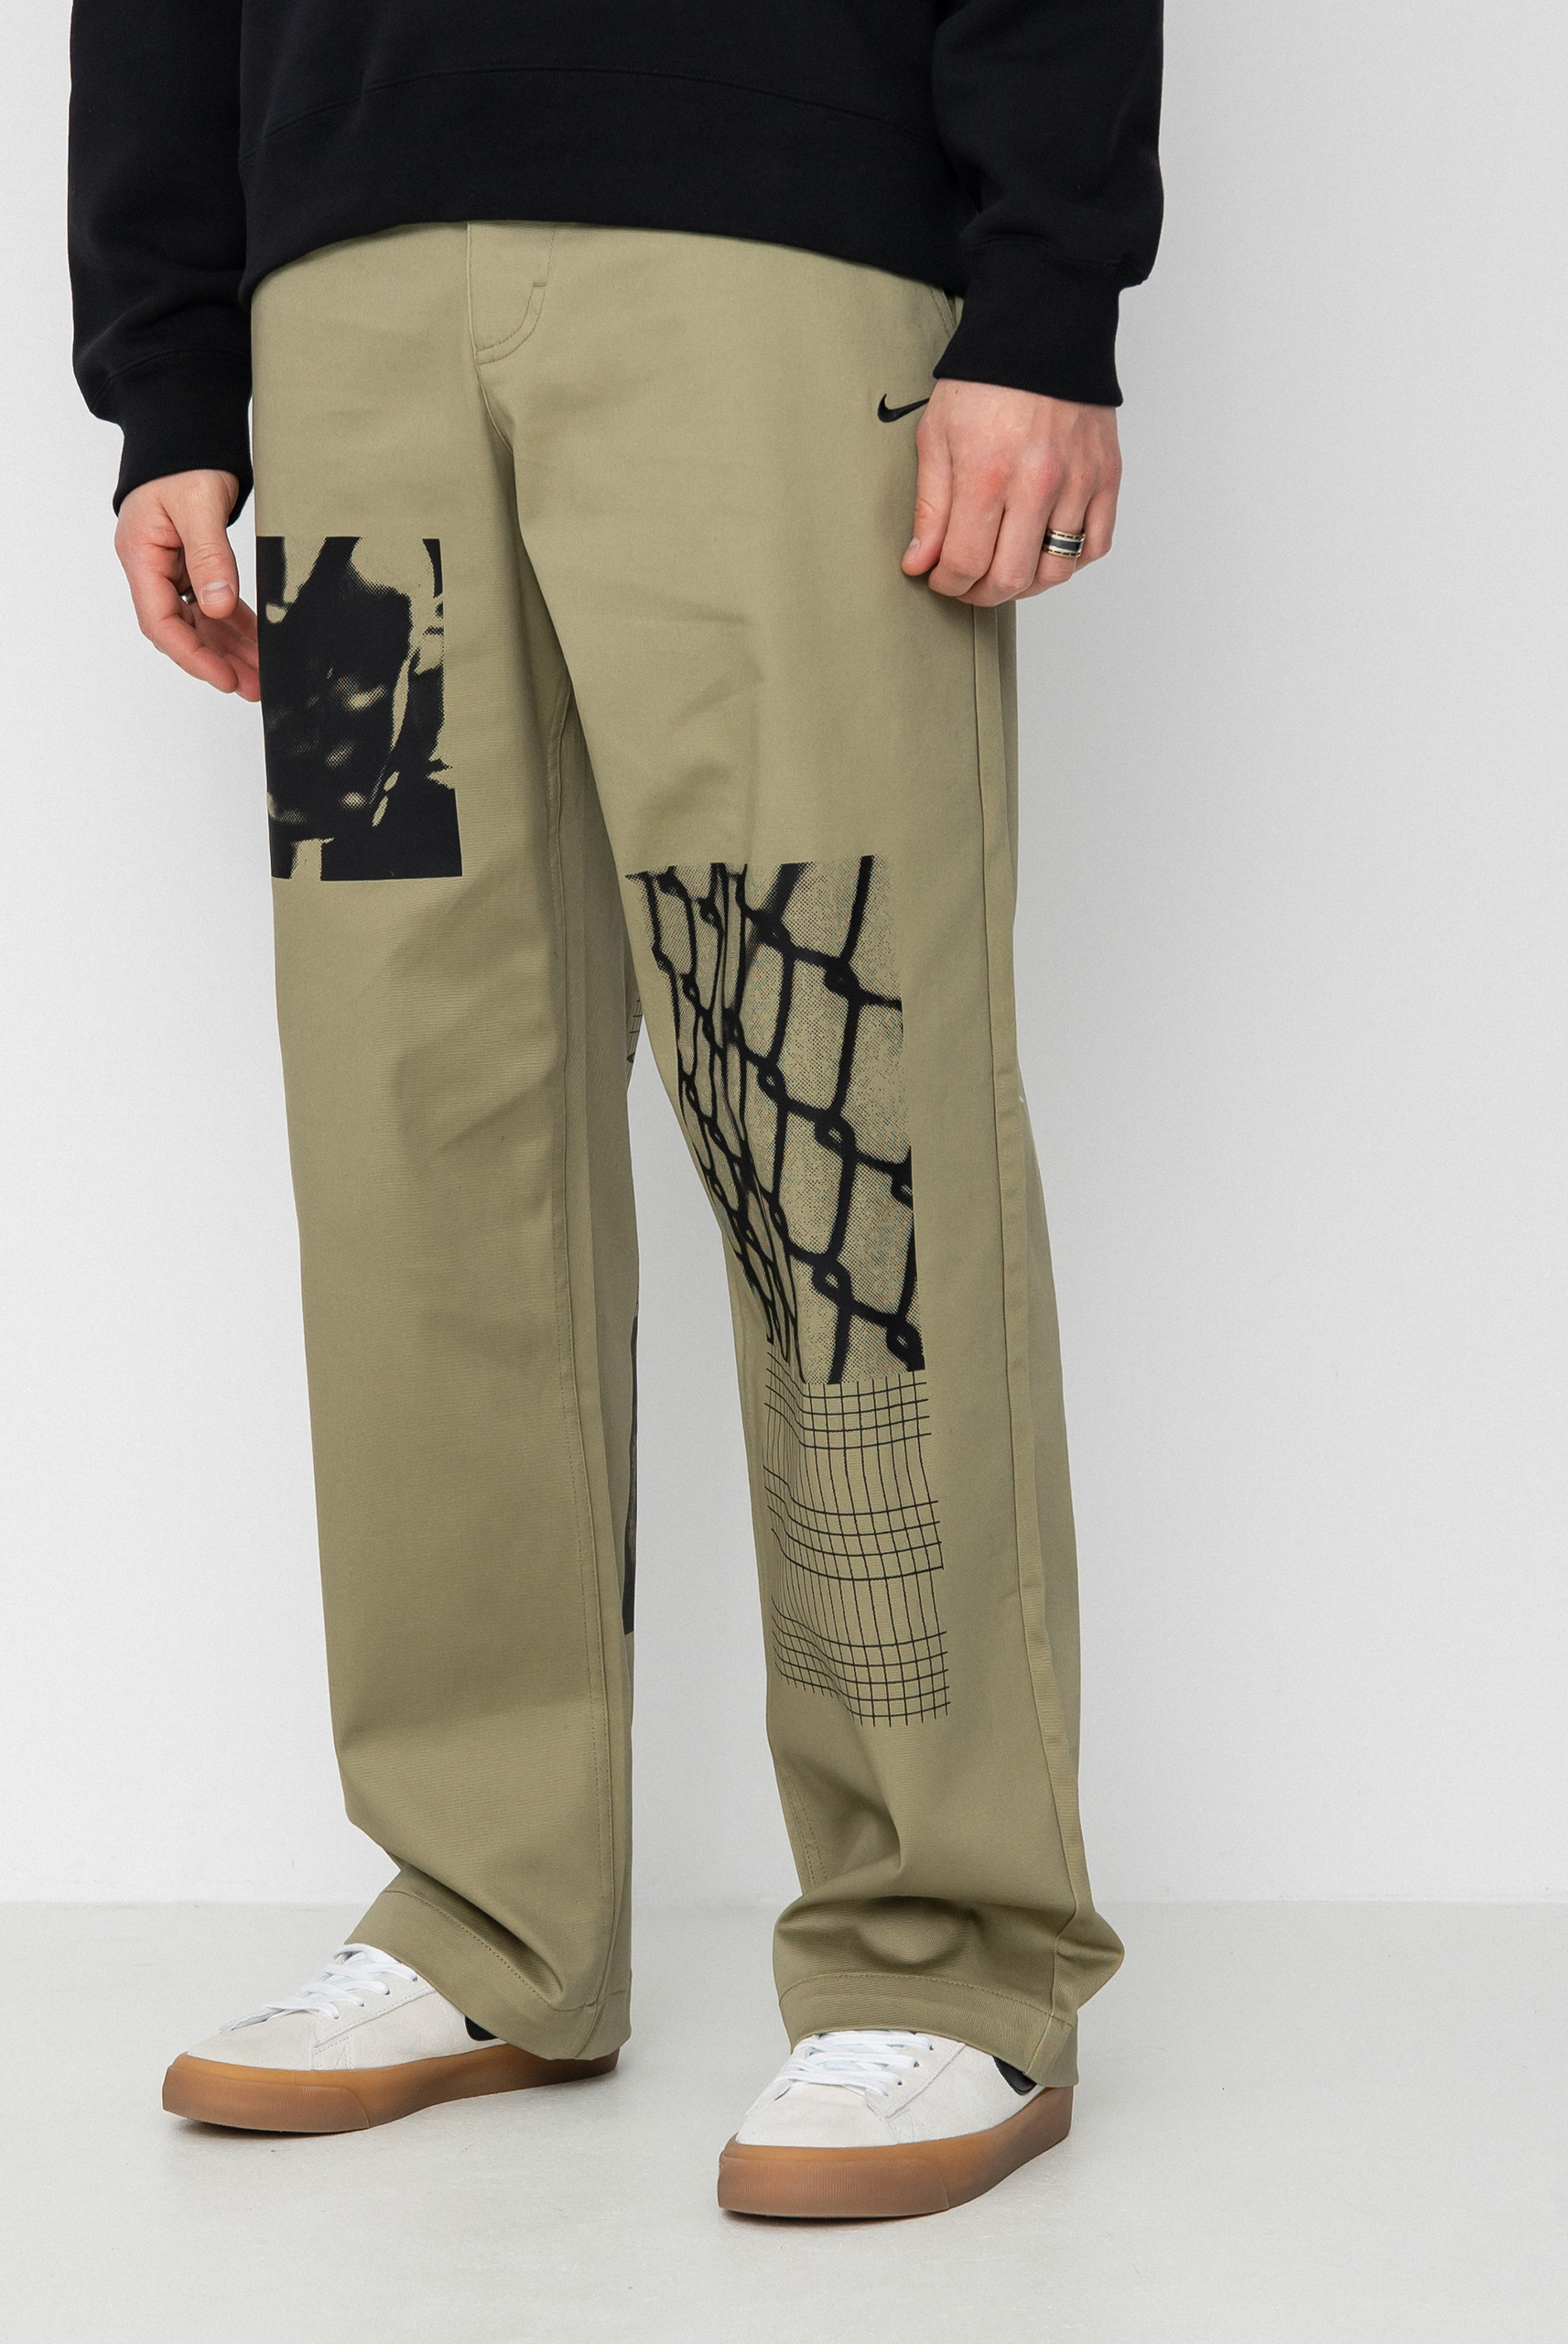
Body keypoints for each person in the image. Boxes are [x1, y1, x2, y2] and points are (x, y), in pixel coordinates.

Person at [70, 0, 1162, 2220]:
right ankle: (486, 1910)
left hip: (769, 266)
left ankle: (947, 1940)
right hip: (351, 325)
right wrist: (165, 366)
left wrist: (1046, 287)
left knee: (823, 1093)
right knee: (404, 1109)